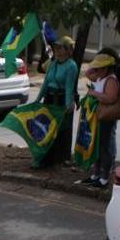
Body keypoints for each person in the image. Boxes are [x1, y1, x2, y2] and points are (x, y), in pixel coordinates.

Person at [78, 54, 120, 189]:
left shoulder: (111, 80)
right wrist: (95, 68)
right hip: (96, 117)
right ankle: (95, 174)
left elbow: (110, 98)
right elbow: (88, 73)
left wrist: (93, 93)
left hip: (105, 117)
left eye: (101, 67)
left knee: (104, 147)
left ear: (108, 67)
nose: (97, 70)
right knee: (95, 146)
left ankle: (104, 178)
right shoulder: (100, 77)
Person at [35, 36, 78, 167]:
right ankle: (46, 157)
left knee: (60, 130)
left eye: (62, 48)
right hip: (49, 99)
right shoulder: (52, 64)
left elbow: (69, 87)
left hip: (61, 100)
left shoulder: (71, 66)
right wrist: (37, 100)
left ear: (68, 51)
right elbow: (46, 83)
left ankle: (59, 158)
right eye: (57, 48)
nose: (58, 51)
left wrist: (67, 105)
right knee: (46, 128)